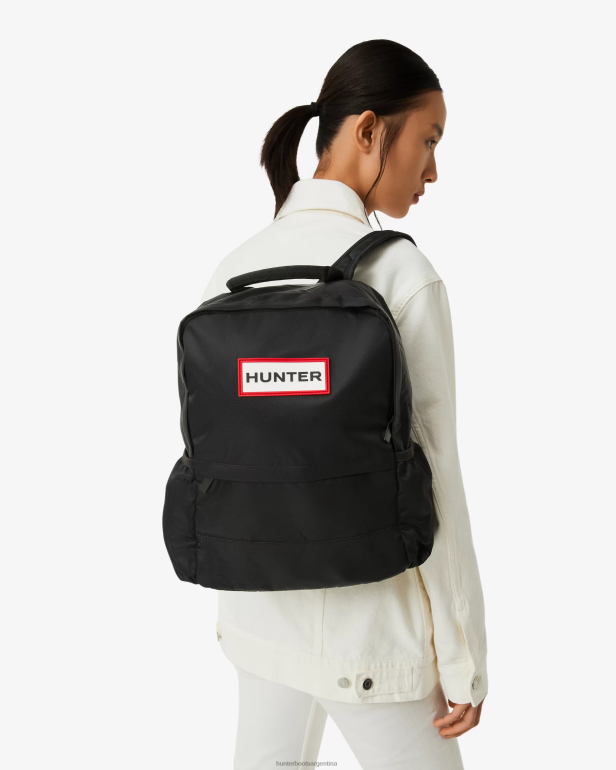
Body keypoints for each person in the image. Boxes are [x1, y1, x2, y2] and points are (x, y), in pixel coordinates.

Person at [199, 39, 488, 770]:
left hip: (257, 624)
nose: (433, 169)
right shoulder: (401, 276)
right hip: (373, 645)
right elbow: (436, 481)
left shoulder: (232, 273)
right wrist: (465, 661)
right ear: (368, 131)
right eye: (429, 139)